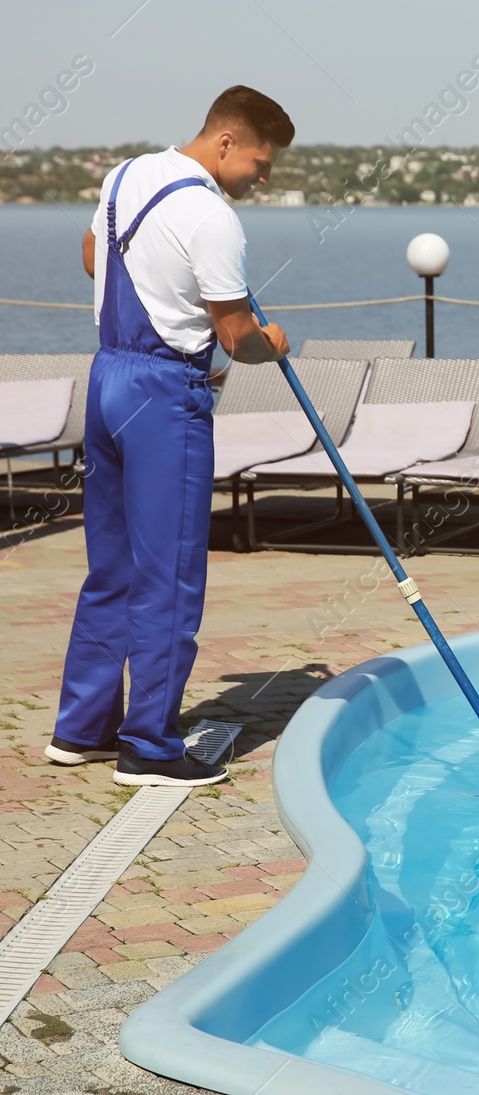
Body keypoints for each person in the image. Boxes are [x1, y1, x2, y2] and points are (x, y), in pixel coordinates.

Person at [46, 86, 295, 786]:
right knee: (172, 576)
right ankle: (149, 747)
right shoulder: (213, 217)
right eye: (259, 160)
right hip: (162, 398)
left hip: (107, 382)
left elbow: (97, 258)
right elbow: (238, 338)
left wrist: (168, 300)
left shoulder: (125, 175)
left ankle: (82, 729)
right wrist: (273, 342)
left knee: (112, 568)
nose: (264, 177)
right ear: (225, 143)